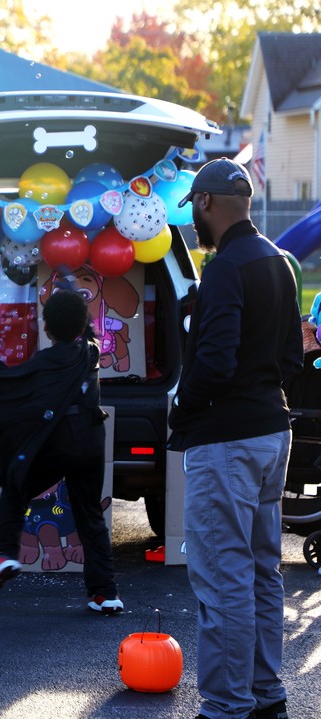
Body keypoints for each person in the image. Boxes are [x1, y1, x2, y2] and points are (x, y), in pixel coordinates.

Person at [168, 158, 301, 719]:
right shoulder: (279, 262)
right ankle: (266, 692)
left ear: (205, 204)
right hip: (273, 432)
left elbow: (216, 362)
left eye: (193, 210)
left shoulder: (224, 268)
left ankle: (225, 705)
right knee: (260, 572)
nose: (194, 223)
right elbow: (292, 358)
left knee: (222, 577)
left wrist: (182, 404)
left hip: (226, 440)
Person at [0, 279, 121, 612]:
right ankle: (106, 593)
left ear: (47, 328)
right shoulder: (91, 349)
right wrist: (72, 291)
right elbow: (88, 323)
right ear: (80, 324)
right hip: (91, 442)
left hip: (55, 443)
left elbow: (7, 388)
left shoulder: (43, 365)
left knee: (15, 486)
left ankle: (4, 555)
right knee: (90, 515)